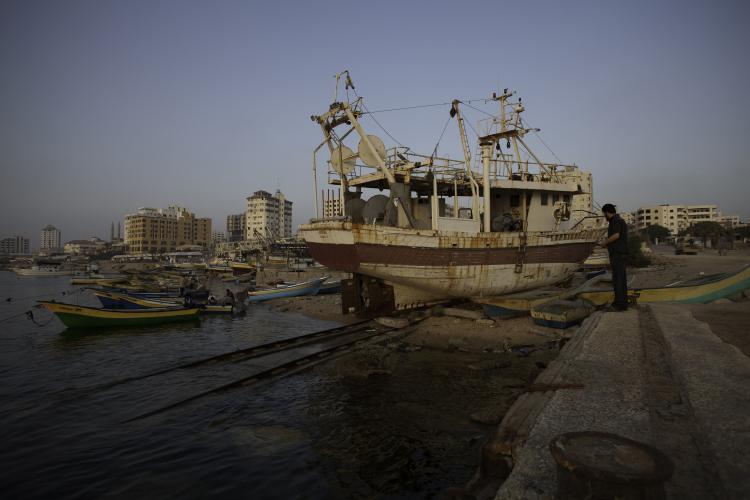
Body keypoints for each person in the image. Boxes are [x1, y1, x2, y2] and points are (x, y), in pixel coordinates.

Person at [600, 203, 629, 311]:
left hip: (618, 255)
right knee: (621, 279)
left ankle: (618, 305)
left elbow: (616, 235)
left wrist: (605, 243)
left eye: (604, 214)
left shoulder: (615, 221)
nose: (604, 216)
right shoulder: (620, 220)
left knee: (618, 279)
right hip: (621, 254)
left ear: (607, 212)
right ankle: (622, 304)